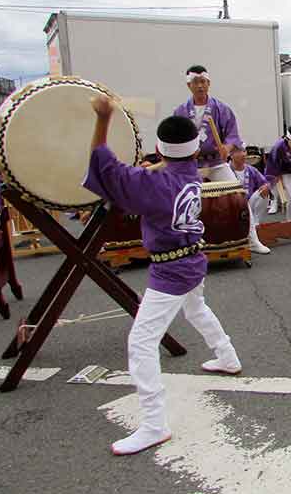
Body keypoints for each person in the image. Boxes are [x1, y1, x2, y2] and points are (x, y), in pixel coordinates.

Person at [84, 99, 242, 456]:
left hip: (170, 269)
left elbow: (103, 164)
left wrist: (103, 118)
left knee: (141, 343)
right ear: (194, 149)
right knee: (196, 309)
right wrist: (158, 164)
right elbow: (163, 168)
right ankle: (228, 357)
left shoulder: (151, 184)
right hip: (193, 259)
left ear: (159, 148)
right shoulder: (190, 174)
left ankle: (154, 425)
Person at [173, 65, 243, 182]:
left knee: (235, 193)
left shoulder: (221, 109)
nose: (200, 86)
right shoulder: (180, 112)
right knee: (180, 194)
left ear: (208, 83)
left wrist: (226, 147)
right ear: (189, 85)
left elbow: (232, 134)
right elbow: (175, 139)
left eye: (203, 82)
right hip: (191, 165)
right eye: (195, 82)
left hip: (216, 164)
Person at [228, 146, 271, 254]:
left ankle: (255, 223)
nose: (243, 154)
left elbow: (265, 182)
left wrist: (267, 186)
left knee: (264, 192)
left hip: (248, 203)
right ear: (231, 155)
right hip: (232, 207)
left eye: (243, 151)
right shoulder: (225, 171)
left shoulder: (251, 169)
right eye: (238, 152)